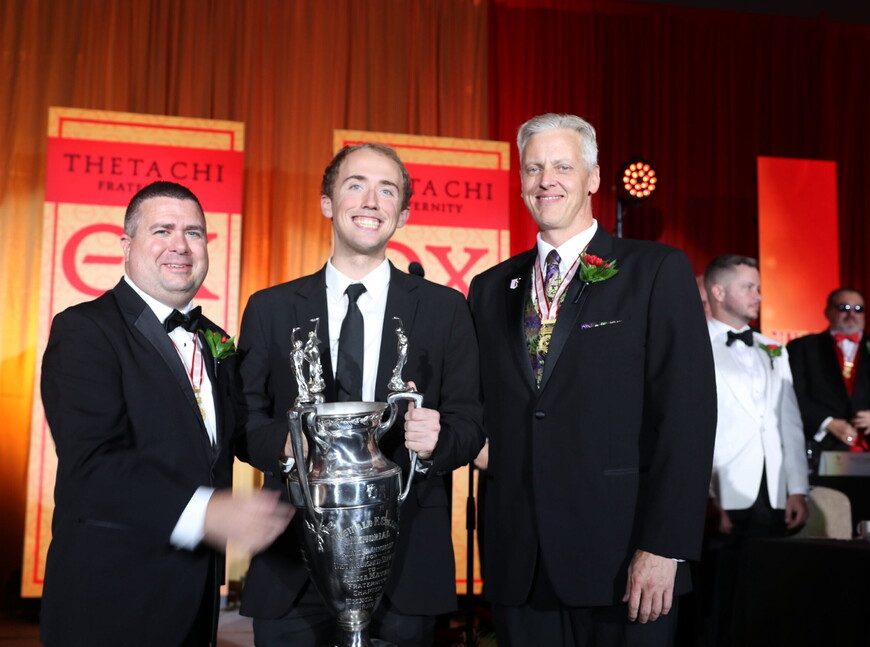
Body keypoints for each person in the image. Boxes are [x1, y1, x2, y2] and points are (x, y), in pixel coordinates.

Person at [467, 113, 717, 647]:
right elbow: (481, 408)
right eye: (533, 168)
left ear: (594, 177)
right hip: (520, 563)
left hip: (625, 563)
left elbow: (688, 417)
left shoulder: (655, 271)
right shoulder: (489, 288)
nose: (545, 180)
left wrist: (665, 547)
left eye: (562, 165)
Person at [237, 143, 485, 647]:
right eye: (356, 185)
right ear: (328, 201)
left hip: (405, 564)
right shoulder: (270, 308)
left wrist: (440, 437)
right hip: (292, 561)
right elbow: (244, 419)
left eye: (387, 189)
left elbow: (469, 424)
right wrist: (288, 445)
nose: (371, 200)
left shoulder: (446, 310)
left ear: (404, 212)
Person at [39, 181, 294, 647]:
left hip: (196, 595)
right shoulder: (84, 329)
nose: (180, 244)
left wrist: (292, 442)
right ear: (126, 245)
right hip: (108, 599)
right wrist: (208, 511)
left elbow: (236, 436)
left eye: (194, 233)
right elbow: (94, 462)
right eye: (163, 230)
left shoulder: (217, 340)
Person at [702, 254, 809, 645]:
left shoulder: (772, 348)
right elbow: (690, 429)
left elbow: (789, 423)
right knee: (716, 600)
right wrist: (704, 495)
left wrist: (797, 487)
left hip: (773, 493)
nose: (759, 296)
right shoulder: (693, 344)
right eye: (749, 286)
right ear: (717, 291)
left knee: (767, 598)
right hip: (722, 493)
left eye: (759, 287)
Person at [788, 287, 870, 454]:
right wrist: (827, 422)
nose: (851, 314)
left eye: (858, 309)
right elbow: (794, 394)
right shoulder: (803, 347)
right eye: (843, 308)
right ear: (828, 312)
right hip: (822, 446)